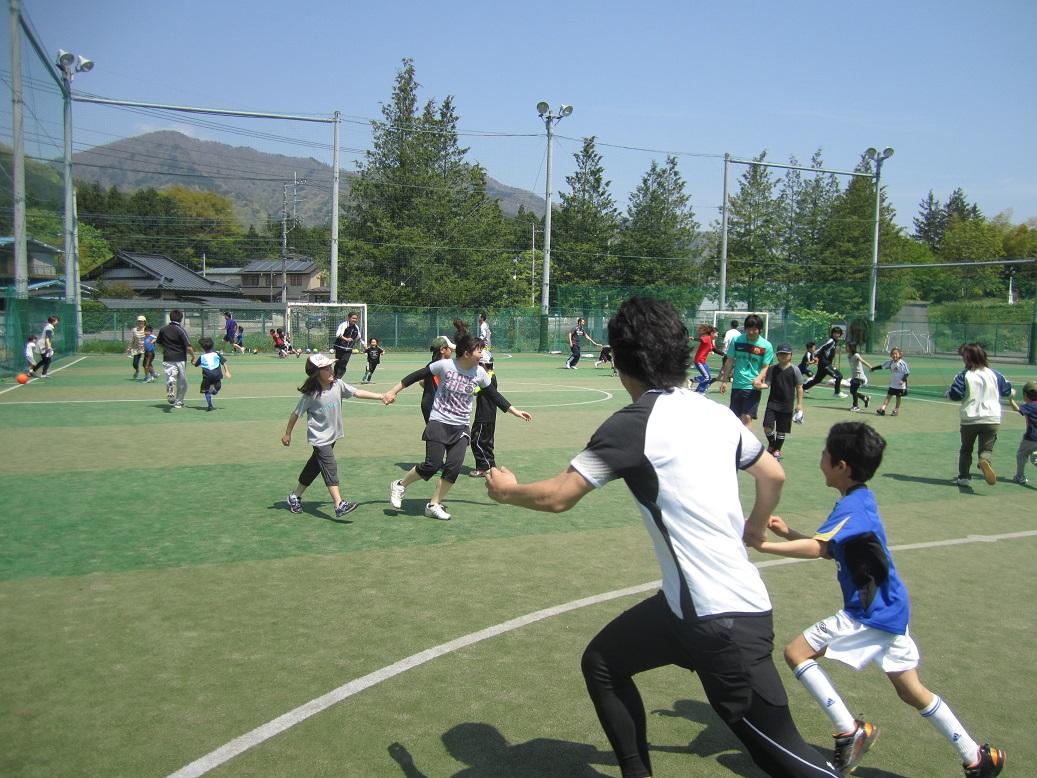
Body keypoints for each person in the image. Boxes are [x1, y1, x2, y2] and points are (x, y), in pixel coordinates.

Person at [486, 297, 839, 778]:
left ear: (622, 361)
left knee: (785, 757)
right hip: (684, 608)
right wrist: (756, 526)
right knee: (604, 663)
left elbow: (556, 497)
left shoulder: (633, 425)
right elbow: (773, 474)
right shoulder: (715, 414)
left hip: (720, 622)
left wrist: (506, 491)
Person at [751, 421, 1006, 777]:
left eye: (825, 454)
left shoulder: (852, 509)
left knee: (796, 652)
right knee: (911, 690)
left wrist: (765, 544)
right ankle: (978, 757)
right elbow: (832, 551)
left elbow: (819, 548)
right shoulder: (858, 499)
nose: (820, 459)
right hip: (890, 609)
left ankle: (848, 731)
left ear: (841, 467)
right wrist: (788, 532)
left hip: (868, 613)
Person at [384, 333, 532, 521]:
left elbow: (494, 395)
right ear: (467, 353)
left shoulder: (479, 373)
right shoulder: (445, 365)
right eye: (479, 350)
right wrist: (392, 392)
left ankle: (433, 504)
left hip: (461, 426)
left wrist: (515, 411)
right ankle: (400, 485)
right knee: (433, 464)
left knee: (453, 468)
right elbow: (415, 376)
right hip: (439, 420)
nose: (482, 353)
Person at [282, 353, 385, 517]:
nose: (331, 370)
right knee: (330, 466)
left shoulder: (337, 385)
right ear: (316, 373)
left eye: (330, 367)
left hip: (332, 437)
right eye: (326, 368)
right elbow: (296, 414)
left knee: (313, 467)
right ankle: (339, 504)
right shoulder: (311, 395)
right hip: (320, 439)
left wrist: (381, 396)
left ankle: (295, 496)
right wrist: (288, 434)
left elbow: (357, 392)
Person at [947, 343, 1014, 486]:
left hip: (970, 419)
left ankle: (964, 477)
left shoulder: (963, 375)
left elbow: (956, 394)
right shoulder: (995, 374)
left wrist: (948, 394)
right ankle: (984, 460)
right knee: (986, 449)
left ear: (967, 359)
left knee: (966, 449)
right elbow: (1008, 391)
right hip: (992, 418)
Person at [718, 313, 774, 429]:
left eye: (754, 329)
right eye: (749, 329)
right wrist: (724, 381)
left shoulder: (766, 346)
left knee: (747, 417)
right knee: (735, 419)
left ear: (760, 330)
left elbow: (765, 366)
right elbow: (729, 361)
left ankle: (747, 446)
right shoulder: (737, 340)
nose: (751, 332)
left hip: (752, 387)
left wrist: (758, 379)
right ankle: (736, 445)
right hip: (737, 385)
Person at [759, 343, 804, 461]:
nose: (783, 356)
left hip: (787, 405)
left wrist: (799, 405)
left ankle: (776, 451)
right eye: (781, 354)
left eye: (786, 354)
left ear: (791, 355)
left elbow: (799, 388)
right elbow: (767, 384)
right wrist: (758, 385)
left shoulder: (795, 370)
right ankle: (773, 445)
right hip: (772, 403)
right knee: (767, 427)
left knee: (781, 430)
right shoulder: (772, 369)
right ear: (777, 356)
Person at [469, 353, 500, 477]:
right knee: (487, 442)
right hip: (489, 415)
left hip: (484, 416)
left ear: (483, 365)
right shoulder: (492, 375)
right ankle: (491, 466)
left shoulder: (487, 378)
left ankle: (483, 467)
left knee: (477, 441)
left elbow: (473, 390)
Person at [157, 310, 193, 408]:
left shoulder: (163, 329)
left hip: (167, 358)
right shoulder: (180, 330)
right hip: (180, 358)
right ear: (181, 319)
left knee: (170, 377)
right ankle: (178, 402)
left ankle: (171, 384)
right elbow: (188, 347)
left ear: (170, 317)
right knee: (182, 382)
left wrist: (163, 351)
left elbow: (159, 343)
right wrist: (193, 356)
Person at [802, 326, 846, 397]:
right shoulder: (831, 341)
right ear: (832, 333)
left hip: (823, 364)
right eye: (835, 333)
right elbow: (822, 348)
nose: (836, 334)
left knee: (816, 380)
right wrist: (816, 355)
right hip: (825, 364)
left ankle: (801, 388)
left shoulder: (834, 342)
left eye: (838, 333)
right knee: (839, 376)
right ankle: (837, 393)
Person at [420, 336, 455, 424]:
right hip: (435, 406)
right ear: (443, 350)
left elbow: (421, 382)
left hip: (427, 403)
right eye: (449, 349)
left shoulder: (431, 365)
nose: (451, 351)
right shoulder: (442, 366)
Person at [1008, 380, 1037, 485]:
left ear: (1025, 395)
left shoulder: (1029, 406)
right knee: (1034, 457)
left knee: (1021, 454)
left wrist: (1011, 399)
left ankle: (1020, 477)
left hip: (1031, 437)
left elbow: (1016, 408)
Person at [192, 336, 232, 412]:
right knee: (218, 386)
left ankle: (210, 405)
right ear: (212, 346)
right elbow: (224, 363)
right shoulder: (216, 354)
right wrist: (227, 371)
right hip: (216, 375)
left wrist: (193, 362)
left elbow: (196, 364)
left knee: (206, 391)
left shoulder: (202, 357)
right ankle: (215, 390)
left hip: (207, 377)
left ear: (203, 348)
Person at [872, 347, 910, 416]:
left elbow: (907, 373)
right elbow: (882, 366)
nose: (894, 355)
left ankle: (896, 410)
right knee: (888, 396)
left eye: (896, 354)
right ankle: (883, 409)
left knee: (898, 397)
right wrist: (873, 368)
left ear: (899, 355)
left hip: (900, 385)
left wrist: (902, 380)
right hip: (893, 384)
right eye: (892, 354)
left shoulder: (902, 363)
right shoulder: (890, 362)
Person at [691, 323, 724, 394]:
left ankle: (700, 391)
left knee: (708, 377)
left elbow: (714, 349)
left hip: (703, 361)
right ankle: (693, 381)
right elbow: (701, 339)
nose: (717, 336)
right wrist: (694, 338)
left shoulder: (711, 341)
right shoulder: (707, 338)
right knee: (707, 377)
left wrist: (724, 354)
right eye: (717, 334)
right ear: (712, 333)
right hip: (699, 361)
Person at [333, 311, 365, 378]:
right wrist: (346, 339)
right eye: (353, 318)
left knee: (344, 362)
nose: (355, 320)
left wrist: (364, 344)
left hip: (349, 349)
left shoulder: (356, 327)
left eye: (356, 318)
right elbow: (338, 334)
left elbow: (358, 337)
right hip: (340, 347)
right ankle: (334, 377)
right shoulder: (343, 325)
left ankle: (338, 378)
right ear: (349, 318)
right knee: (338, 363)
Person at [846, 341, 873, 412]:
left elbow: (863, 361)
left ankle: (856, 406)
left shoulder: (856, 355)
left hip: (860, 377)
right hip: (854, 377)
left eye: (848, 346)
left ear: (851, 348)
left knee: (853, 391)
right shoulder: (849, 356)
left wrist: (871, 367)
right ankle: (865, 398)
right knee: (852, 391)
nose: (846, 348)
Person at [126, 315, 148, 380]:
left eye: (142, 321)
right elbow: (133, 339)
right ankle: (137, 370)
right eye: (139, 321)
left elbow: (150, 337)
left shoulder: (147, 329)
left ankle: (148, 375)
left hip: (145, 348)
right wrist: (129, 347)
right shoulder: (134, 330)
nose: (140, 322)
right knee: (135, 364)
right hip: (137, 348)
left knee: (146, 364)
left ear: (144, 322)